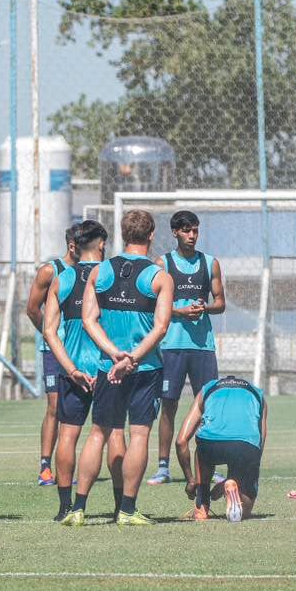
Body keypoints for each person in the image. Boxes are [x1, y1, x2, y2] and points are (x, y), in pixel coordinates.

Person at [65, 209, 175, 527]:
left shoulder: (100, 272)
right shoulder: (159, 276)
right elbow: (161, 326)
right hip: (145, 367)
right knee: (139, 435)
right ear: (151, 235)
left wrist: (114, 355)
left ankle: (78, 508)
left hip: (106, 367)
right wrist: (132, 359)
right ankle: (127, 510)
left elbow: (88, 320)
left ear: (123, 234)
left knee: (98, 433)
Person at [40, 219, 116, 521]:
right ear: (101, 245)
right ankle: (122, 505)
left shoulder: (63, 278)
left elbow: (49, 331)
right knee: (110, 436)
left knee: (67, 436)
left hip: (72, 370)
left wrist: (70, 369)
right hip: (106, 368)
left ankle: (64, 507)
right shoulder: (110, 276)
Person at [152, 210, 226, 487]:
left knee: (208, 406)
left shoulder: (210, 263)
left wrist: (204, 307)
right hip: (172, 346)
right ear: (175, 232)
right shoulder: (164, 264)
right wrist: (179, 312)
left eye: (195, 230)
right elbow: (154, 305)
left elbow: (220, 302)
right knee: (168, 405)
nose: (192, 236)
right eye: (186, 231)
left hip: (202, 347)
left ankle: (210, 464)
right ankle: (163, 467)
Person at [25, 226, 79, 486]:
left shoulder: (96, 271)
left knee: (77, 410)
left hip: (83, 351)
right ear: (72, 245)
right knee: (55, 407)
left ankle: (67, 467)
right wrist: (50, 336)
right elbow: (32, 309)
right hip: (55, 353)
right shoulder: (51, 270)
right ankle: (45, 466)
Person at [175, 374, 266, 522]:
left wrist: (190, 480)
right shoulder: (257, 393)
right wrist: (245, 476)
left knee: (202, 449)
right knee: (246, 507)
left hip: (210, 445)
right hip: (246, 444)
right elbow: (260, 440)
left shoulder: (207, 389)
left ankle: (202, 506)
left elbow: (181, 441)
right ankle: (232, 485)